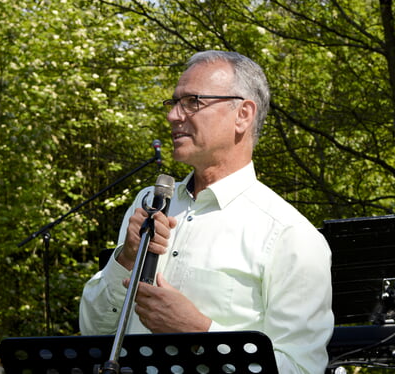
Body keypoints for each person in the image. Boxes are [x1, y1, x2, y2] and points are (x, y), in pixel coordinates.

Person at [79, 50, 334, 373]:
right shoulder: (150, 203)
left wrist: (199, 332)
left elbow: (299, 368)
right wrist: (127, 257)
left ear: (243, 114)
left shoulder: (291, 235)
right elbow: (93, 329)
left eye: (192, 102)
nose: (173, 115)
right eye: (173, 103)